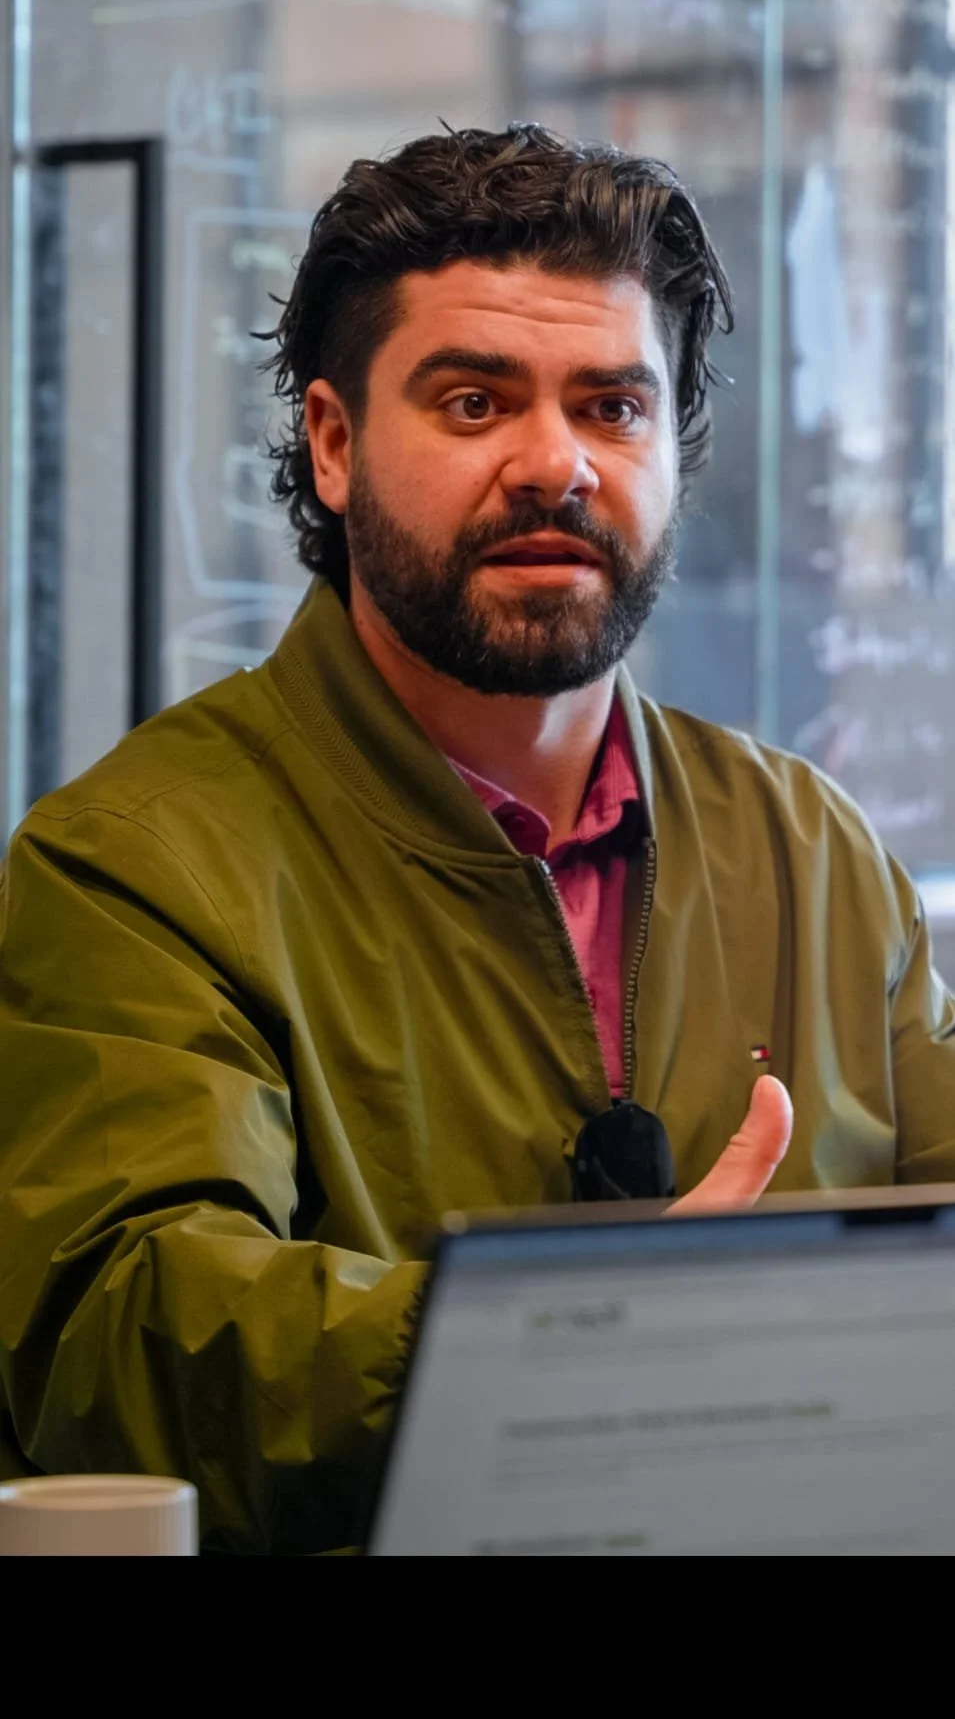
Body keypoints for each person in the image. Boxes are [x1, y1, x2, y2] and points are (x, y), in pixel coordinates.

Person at [0, 123, 952, 1557]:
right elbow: (129, 1341)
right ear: (332, 444)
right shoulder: (134, 867)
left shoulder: (807, 847)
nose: (553, 464)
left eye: (614, 407)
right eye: (470, 402)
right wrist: (591, 1342)